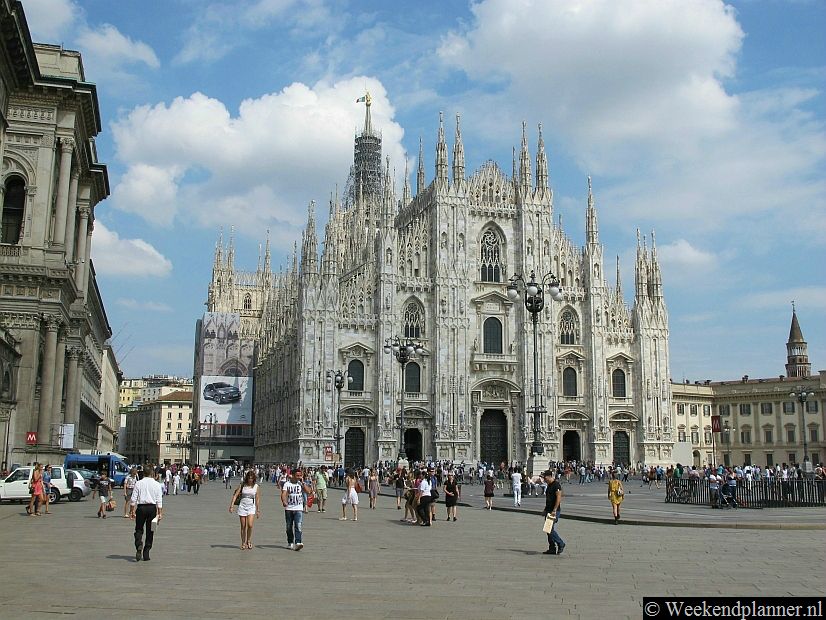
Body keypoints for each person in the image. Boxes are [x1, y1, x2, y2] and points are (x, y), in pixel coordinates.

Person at [130, 469, 163, 562]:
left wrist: (132, 511)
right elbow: (159, 500)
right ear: (152, 473)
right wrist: (160, 513)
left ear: (143, 473)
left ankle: (139, 544)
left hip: (141, 508)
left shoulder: (139, 483)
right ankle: (146, 552)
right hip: (152, 508)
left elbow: (133, 499)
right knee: (150, 530)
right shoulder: (157, 484)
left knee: (139, 529)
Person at [282, 468, 312, 550]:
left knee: (298, 525)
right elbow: (284, 494)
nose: (299, 477)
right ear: (293, 475)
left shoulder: (301, 484)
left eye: (300, 475)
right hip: (289, 508)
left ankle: (298, 542)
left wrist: (303, 483)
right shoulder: (287, 484)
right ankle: (290, 542)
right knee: (289, 527)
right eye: (297, 475)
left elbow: (308, 491)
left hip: (299, 508)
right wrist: (284, 501)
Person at [229, 470, 260, 549]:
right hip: (242, 506)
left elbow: (257, 498)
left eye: (252, 478)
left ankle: (248, 540)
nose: (250, 480)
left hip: (251, 507)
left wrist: (258, 510)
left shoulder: (256, 486)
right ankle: (243, 542)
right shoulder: (242, 485)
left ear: (254, 479)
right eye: (249, 478)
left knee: (250, 525)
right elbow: (235, 495)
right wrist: (231, 506)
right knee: (243, 526)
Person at [542, 470, 565, 555]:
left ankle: (560, 543)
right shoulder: (549, 485)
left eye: (545, 477)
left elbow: (558, 498)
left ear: (549, 476)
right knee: (548, 530)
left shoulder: (556, 485)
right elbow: (548, 499)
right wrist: (545, 510)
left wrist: (554, 510)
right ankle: (552, 548)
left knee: (550, 529)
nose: (544, 479)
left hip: (554, 511)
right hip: (549, 510)